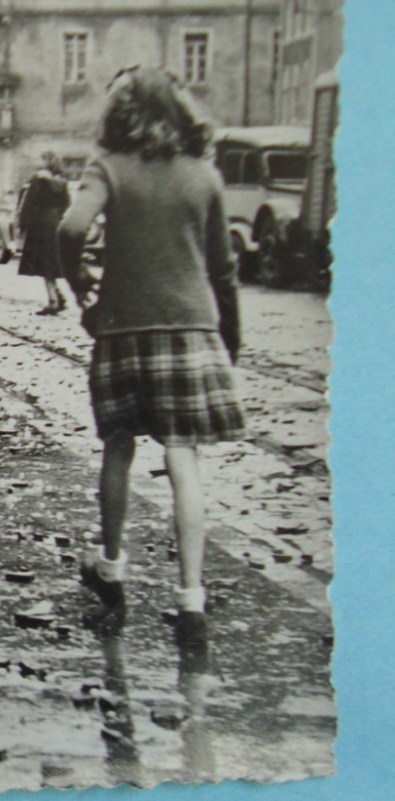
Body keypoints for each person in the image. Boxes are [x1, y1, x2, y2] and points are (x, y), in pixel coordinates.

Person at [57, 66, 244, 651]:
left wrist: (83, 290)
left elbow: (71, 227)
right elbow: (224, 271)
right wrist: (229, 339)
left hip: (121, 331)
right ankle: (191, 600)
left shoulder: (108, 167)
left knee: (119, 446)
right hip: (191, 331)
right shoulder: (205, 175)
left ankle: (111, 565)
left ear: (121, 114)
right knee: (183, 459)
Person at [17, 152, 71, 314]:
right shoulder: (62, 182)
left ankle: (53, 301)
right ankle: (58, 296)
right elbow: (67, 203)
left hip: (40, 225)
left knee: (44, 265)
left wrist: (23, 225)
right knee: (51, 263)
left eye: (40, 159)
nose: (37, 161)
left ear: (46, 163)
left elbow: (29, 205)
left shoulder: (38, 181)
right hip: (56, 223)